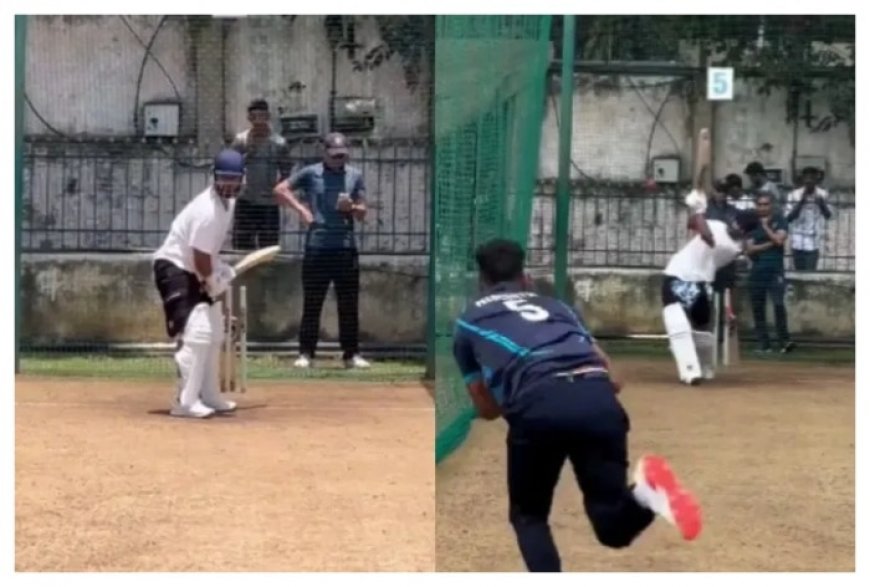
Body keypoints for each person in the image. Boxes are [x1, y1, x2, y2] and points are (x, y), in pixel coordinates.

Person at [451, 238, 702, 573]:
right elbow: (611, 375)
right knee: (611, 527)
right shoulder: (559, 308)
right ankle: (647, 494)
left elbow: (486, 408)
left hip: (538, 406)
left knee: (529, 516)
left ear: (481, 281)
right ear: (525, 277)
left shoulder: (468, 322)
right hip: (598, 401)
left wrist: (506, 388)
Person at [152, 149, 245, 418]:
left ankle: (210, 395)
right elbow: (199, 255)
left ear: (242, 179)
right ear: (215, 178)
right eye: (224, 178)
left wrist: (218, 271)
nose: (229, 184)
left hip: (195, 267)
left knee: (215, 331)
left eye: (234, 179)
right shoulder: (207, 210)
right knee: (198, 331)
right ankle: (185, 401)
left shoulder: (230, 204)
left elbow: (208, 253)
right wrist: (211, 280)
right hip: (174, 268)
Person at [273, 132, 370, 369]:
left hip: (345, 247)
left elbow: (363, 212)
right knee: (313, 302)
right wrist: (302, 210)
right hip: (318, 246)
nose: (339, 160)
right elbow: (280, 190)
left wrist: (353, 207)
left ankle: (351, 354)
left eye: (343, 156)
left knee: (348, 303)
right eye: (335, 156)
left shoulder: (355, 175)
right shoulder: (310, 173)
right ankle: (306, 353)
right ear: (324, 152)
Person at [663, 188, 757, 384]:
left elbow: (707, 236)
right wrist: (696, 211)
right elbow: (693, 225)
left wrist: (699, 209)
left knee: (702, 328)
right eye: (735, 220)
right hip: (676, 275)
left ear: (744, 231)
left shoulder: (733, 248)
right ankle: (690, 371)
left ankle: (704, 366)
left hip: (698, 283)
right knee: (677, 323)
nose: (734, 225)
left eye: (739, 225)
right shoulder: (718, 224)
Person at [230, 99, 292, 251]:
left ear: (268, 117)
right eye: (254, 117)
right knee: (242, 245)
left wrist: (279, 190)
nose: (258, 121)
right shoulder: (241, 140)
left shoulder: (278, 143)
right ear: (249, 119)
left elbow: (286, 171)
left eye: (262, 117)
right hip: (246, 199)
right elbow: (230, 165)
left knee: (268, 248)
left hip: (268, 203)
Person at [746, 192, 795, 354]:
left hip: (775, 269)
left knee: (778, 304)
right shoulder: (752, 222)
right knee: (758, 307)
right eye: (759, 204)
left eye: (765, 204)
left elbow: (780, 240)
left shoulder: (780, 220)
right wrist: (771, 243)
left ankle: (784, 341)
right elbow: (750, 248)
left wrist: (766, 227)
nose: (762, 207)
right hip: (757, 269)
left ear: (771, 205)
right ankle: (764, 344)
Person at [785, 166, 832, 271]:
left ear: (816, 179)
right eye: (807, 178)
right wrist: (801, 202)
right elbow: (788, 218)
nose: (809, 180)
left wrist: (822, 204)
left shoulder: (822, 194)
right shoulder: (794, 195)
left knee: (810, 272)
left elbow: (828, 215)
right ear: (803, 179)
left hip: (814, 240)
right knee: (799, 273)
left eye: (812, 178)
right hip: (797, 239)